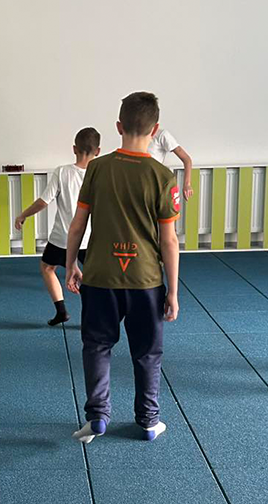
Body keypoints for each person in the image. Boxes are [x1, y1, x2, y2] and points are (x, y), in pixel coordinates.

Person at [65, 92, 181, 443]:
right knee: (147, 352)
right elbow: (169, 241)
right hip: (145, 280)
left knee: (96, 345)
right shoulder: (163, 175)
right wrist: (173, 292)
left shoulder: (97, 168)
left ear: (119, 126)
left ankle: (97, 417)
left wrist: (70, 265)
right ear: (155, 130)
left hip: (100, 276)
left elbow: (78, 224)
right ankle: (148, 420)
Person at [14, 128, 101, 326]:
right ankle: (92, 318)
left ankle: (61, 311)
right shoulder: (100, 174)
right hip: (91, 239)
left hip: (64, 237)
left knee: (47, 267)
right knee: (92, 278)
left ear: (74, 149)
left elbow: (43, 201)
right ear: (98, 151)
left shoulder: (62, 172)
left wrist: (23, 215)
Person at [147, 128, 195, 201]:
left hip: (153, 184)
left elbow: (186, 159)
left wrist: (187, 184)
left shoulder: (161, 134)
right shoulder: (132, 134)